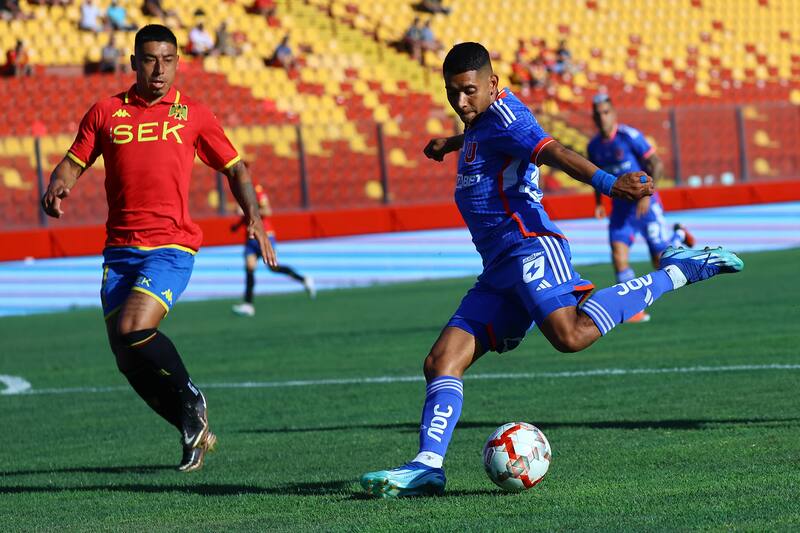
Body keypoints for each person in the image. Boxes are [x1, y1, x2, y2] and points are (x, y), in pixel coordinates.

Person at [359, 42, 743, 498]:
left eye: (469, 91)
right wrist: (453, 142)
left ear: (493, 85)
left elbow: (550, 150)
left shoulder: (508, 116)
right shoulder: (482, 123)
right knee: (440, 361)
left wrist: (608, 183)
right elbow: (486, 135)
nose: (461, 103)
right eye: (452, 94)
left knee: (571, 335)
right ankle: (427, 466)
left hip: (530, 248)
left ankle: (680, 270)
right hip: (498, 267)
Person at [41, 24, 277, 473]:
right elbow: (75, 160)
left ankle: (191, 395)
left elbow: (236, 167)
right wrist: (57, 186)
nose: (159, 69)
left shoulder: (194, 115)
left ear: (178, 62)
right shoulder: (105, 112)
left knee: (134, 326)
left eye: (168, 60)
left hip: (171, 246)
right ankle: (191, 430)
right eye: (150, 59)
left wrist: (256, 220)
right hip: (120, 251)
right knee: (127, 358)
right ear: (133, 63)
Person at [588, 93, 695, 323]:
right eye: (597, 115)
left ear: (613, 114)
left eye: (606, 112)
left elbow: (655, 163)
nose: (602, 118)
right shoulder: (594, 147)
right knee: (619, 257)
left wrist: (647, 194)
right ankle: (633, 309)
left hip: (646, 206)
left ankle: (679, 234)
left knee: (661, 263)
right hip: (620, 211)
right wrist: (598, 202)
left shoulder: (629, 136)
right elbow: (596, 177)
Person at [231, 183, 315, 317]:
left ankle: (304, 279)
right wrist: (238, 225)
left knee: (273, 267)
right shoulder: (239, 191)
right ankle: (248, 304)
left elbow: (267, 211)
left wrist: (248, 211)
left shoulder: (256, 190)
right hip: (250, 237)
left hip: (265, 235)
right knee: (249, 267)